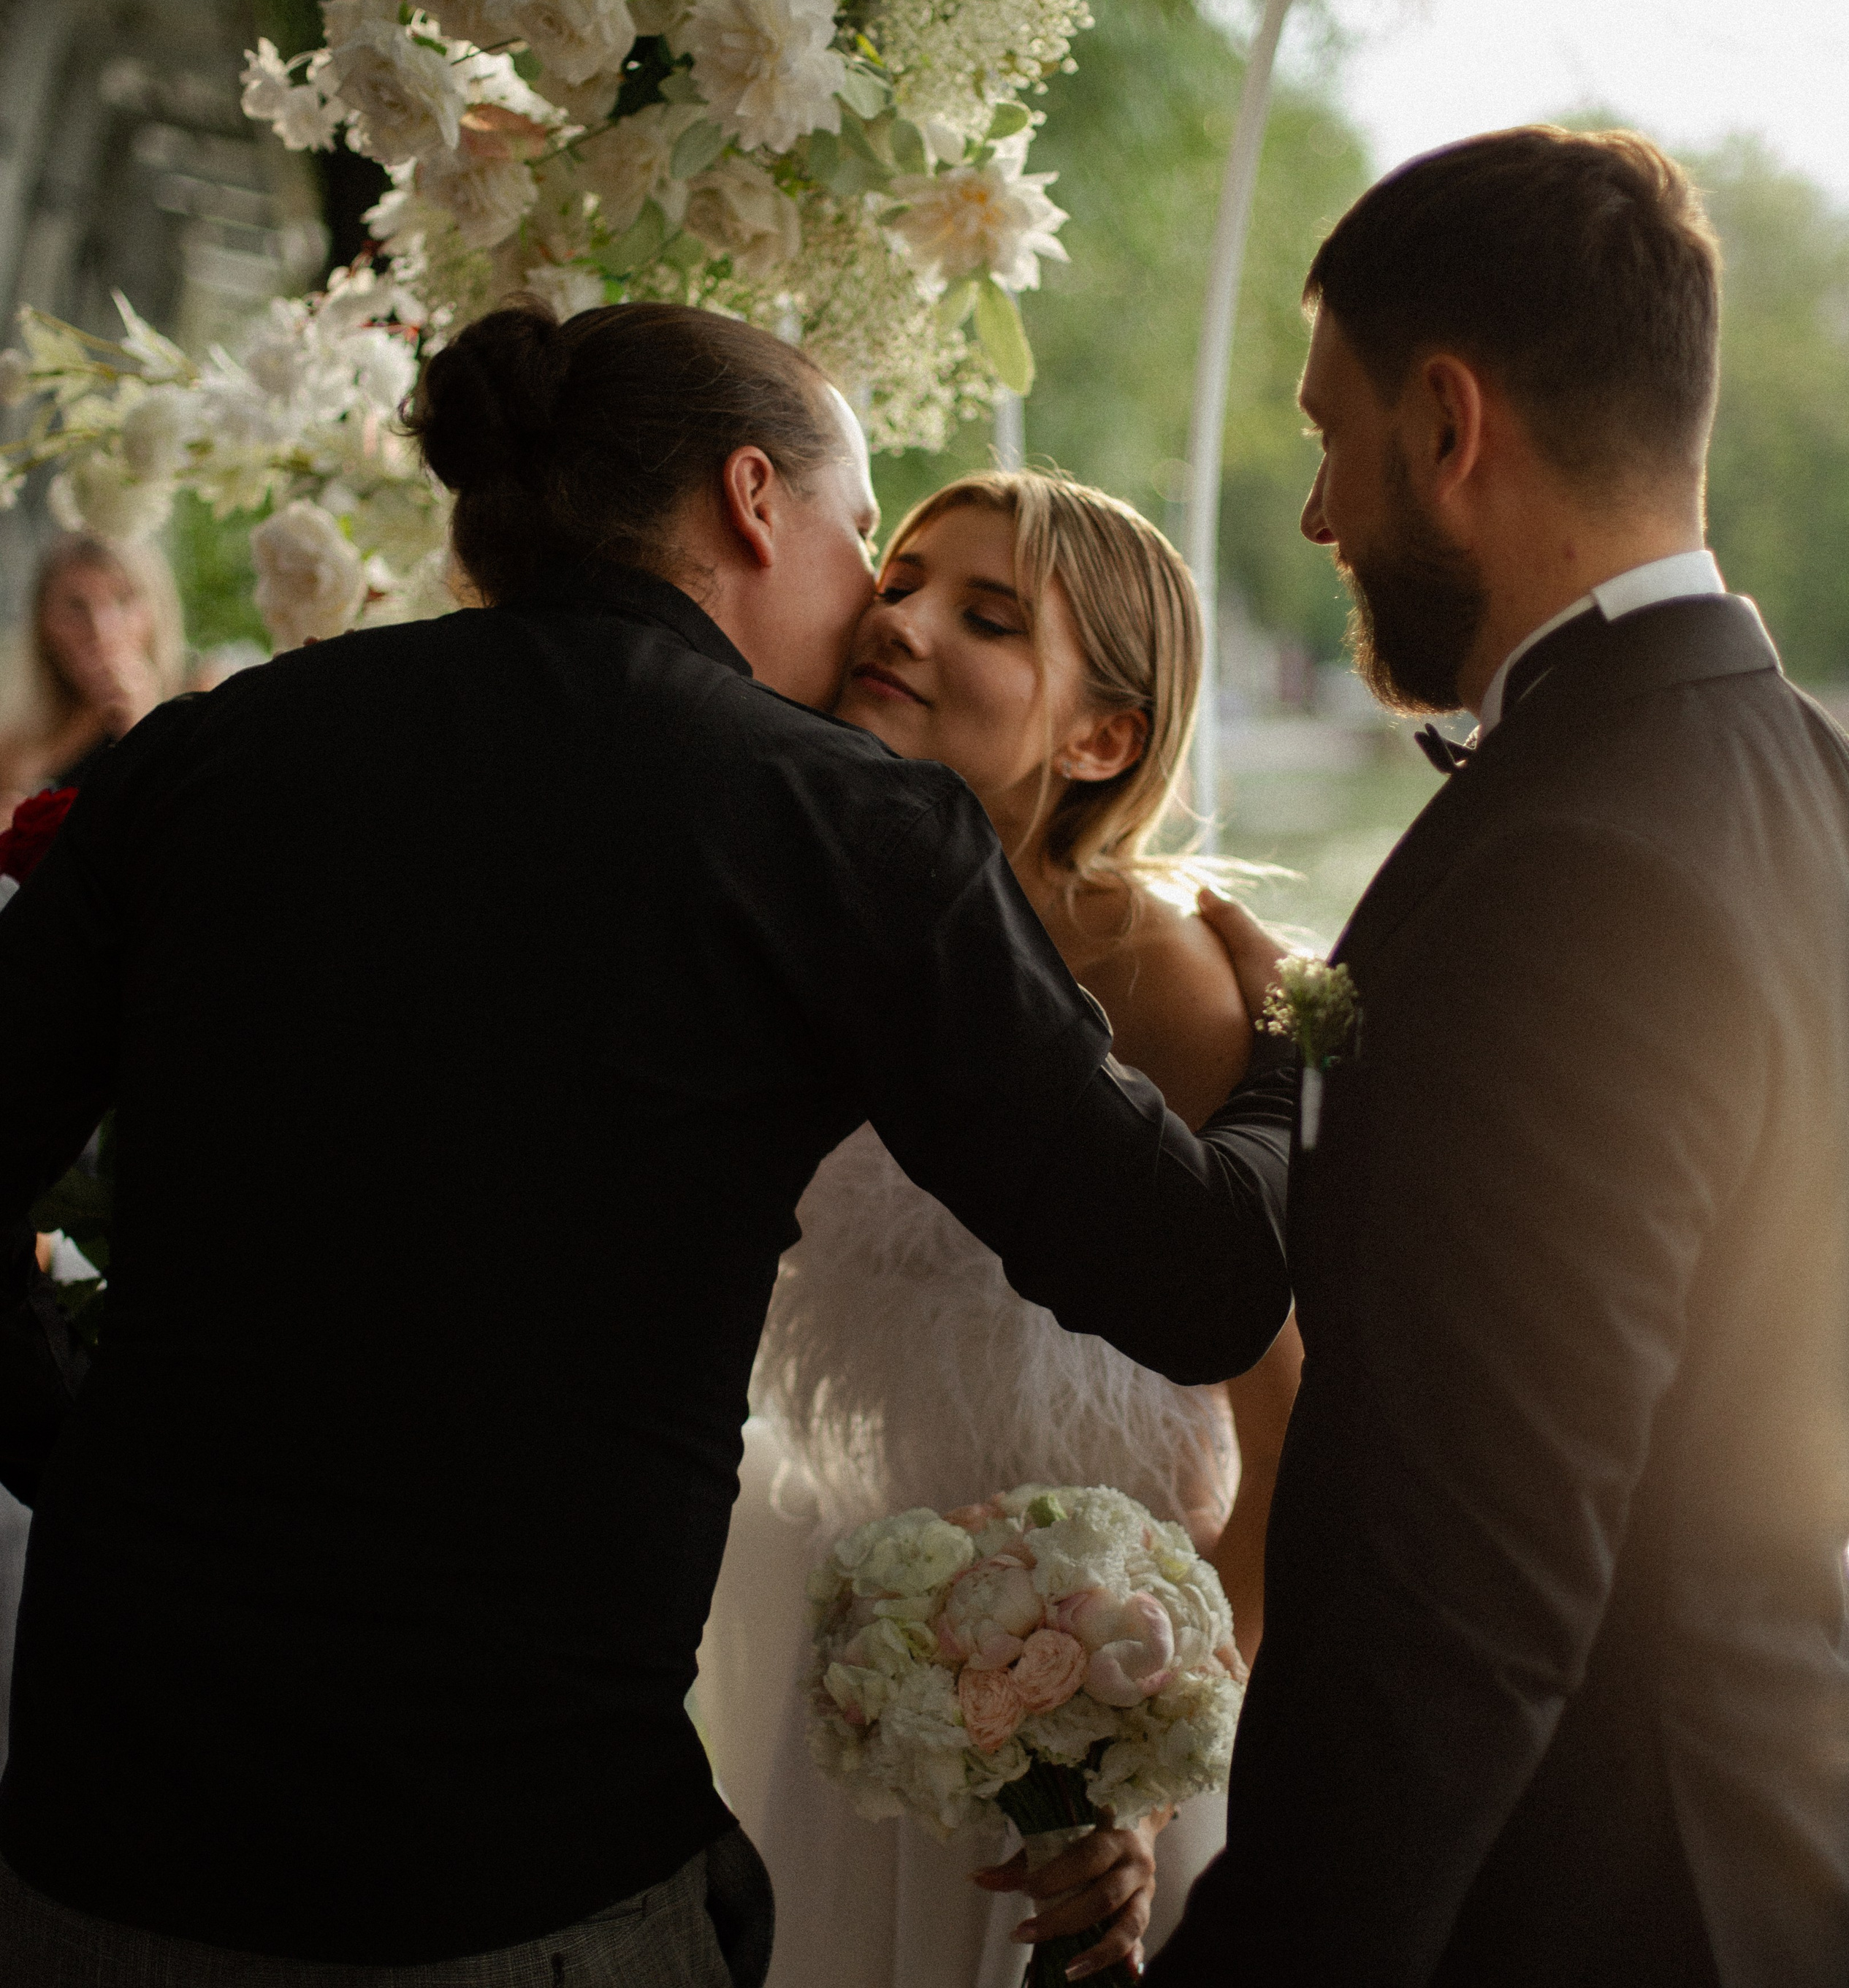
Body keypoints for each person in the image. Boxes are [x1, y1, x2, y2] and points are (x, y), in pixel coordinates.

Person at [0, 299, 1296, 1987]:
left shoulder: (214, 747)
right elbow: (1197, 1284)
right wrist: (1278, 1068)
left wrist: (69, 1441)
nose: (876, 606)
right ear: (757, 503)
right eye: (863, 536)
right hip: (509, 1870)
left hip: (101, 1827)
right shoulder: (835, 826)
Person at [1148, 126, 1849, 1988]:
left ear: (1446, 426)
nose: (1315, 513)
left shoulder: (1566, 869)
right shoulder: (1814, 785)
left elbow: (1462, 1589)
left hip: (1587, 1892)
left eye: (1328, 435)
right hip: (1779, 1823)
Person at [695, 470, 1304, 1987]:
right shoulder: (809, 914)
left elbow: (1287, 1407)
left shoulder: (1151, 967)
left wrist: (1146, 1762)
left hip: (1100, 1691)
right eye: (895, 578)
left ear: (1100, 737)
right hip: (857, 1661)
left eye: (985, 612)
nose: (897, 618)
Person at [0, 532, 186, 826]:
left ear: (155, 612)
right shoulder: (15, 744)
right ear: (44, 626)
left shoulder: (202, 706)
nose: (101, 629)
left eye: (122, 601)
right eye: (76, 607)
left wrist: (143, 725)